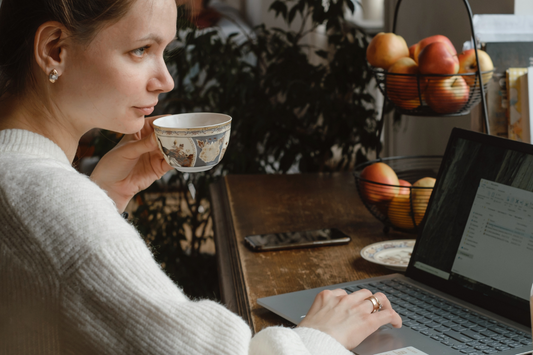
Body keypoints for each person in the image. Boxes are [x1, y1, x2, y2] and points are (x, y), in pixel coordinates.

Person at [0, 0, 402, 353]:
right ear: (56, 49)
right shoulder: (60, 210)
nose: (166, 80)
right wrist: (321, 337)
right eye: (141, 49)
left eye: (164, 51)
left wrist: (103, 199)